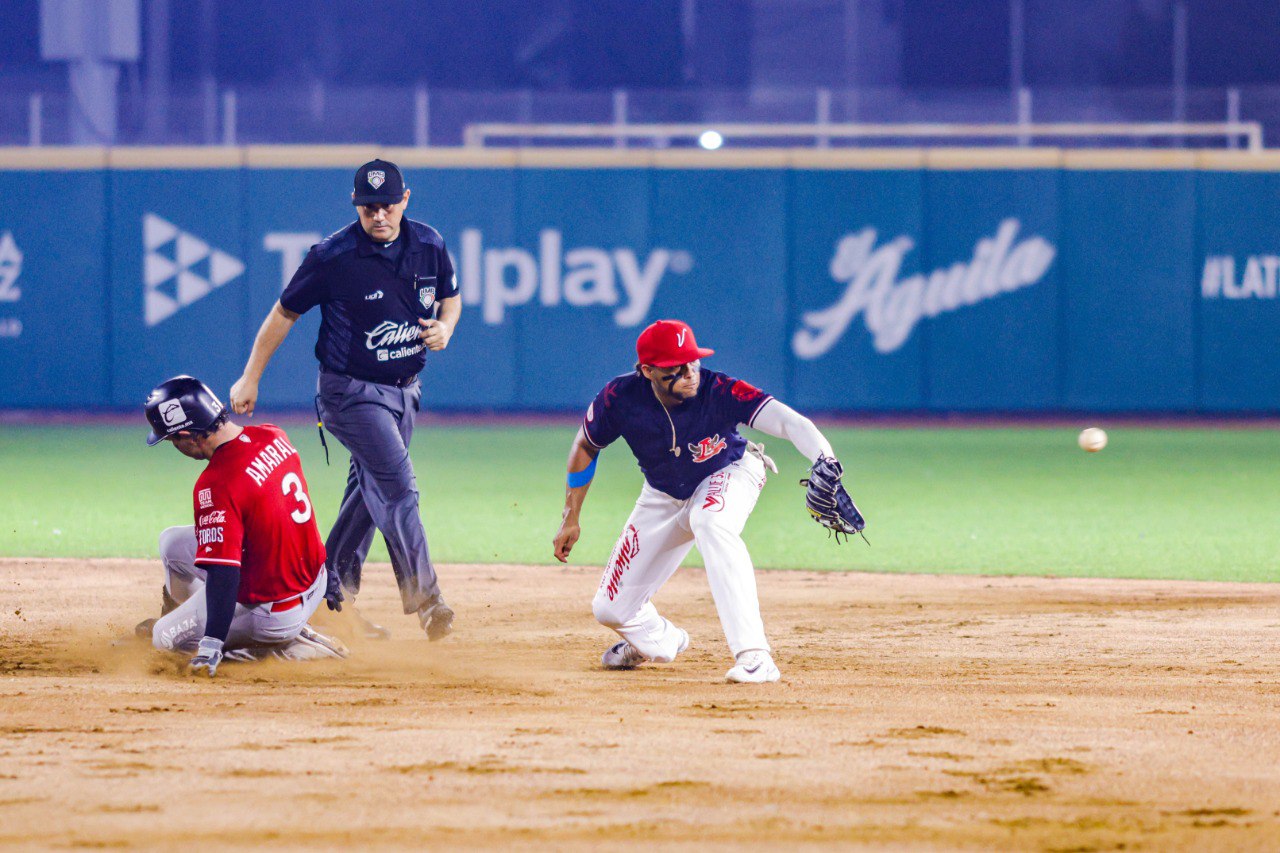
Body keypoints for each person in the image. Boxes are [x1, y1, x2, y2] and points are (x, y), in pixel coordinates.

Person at [552, 320, 866, 683]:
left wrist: (824, 459)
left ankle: (755, 657)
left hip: (731, 472)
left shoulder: (719, 389)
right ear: (647, 371)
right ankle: (660, 640)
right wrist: (570, 515)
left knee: (710, 521)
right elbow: (585, 445)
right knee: (610, 609)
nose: (689, 373)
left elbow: (789, 422)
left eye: (693, 361)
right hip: (662, 495)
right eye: (676, 367)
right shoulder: (619, 398)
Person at [229, 158, 459, 641]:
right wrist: (250, 377)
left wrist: (446, 327)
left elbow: (451, 298)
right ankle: (428, 600)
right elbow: (283, 313)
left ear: (405, 200)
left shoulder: (430, 244)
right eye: (368, 207)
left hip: (406, 392)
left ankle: (327, 595)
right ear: (356, 207)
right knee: (398, 487)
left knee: (366, 496)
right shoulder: (332, 256)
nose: (379, 215)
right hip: (349, 394)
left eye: (387, 205)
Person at [137, 375, 346, 676]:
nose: (174, 446)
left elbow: (224, 575)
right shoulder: (272, 435)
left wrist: (210, 644)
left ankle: (281, 647)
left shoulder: (217, 483)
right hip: (313, 579)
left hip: (274, 612)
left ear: (187, 433)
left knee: (163, 638)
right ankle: (195, 625)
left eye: (171, 440)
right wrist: (326, 569)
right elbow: (291, 517)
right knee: (172, 544)